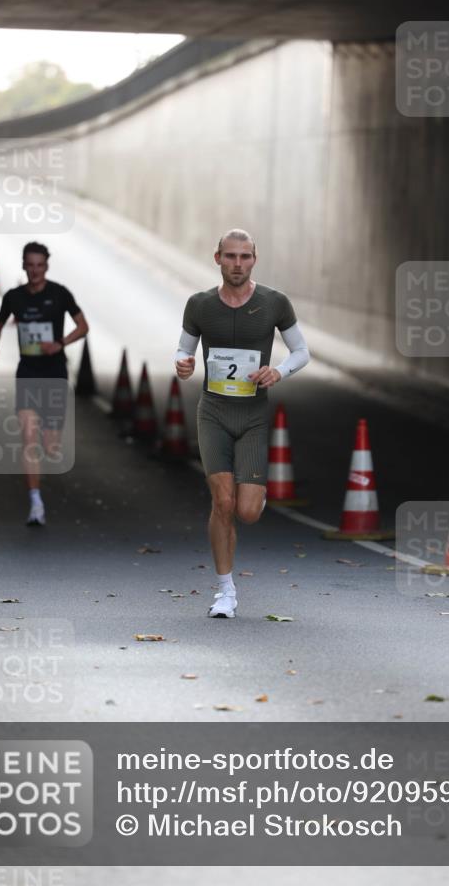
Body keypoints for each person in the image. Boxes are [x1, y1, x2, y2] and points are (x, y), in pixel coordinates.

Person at [175, 229, 309, 618]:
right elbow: (184, 349)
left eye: (245, 257)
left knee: (247, 511)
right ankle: (225, 592)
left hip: (252, 415)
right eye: (230, 256)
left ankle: (256, 495)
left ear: (254, 259)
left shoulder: (274, 303)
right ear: (217, 258)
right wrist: (183, 364)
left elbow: (301, 351)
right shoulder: (199, 305)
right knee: (223, 502)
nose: (237, 264)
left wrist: (279, 371)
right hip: (213, 412)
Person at [0, 242, 89, 524]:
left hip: (55, 372)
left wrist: (60, 343)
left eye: (39, 265)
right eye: (29, 265)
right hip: (28, 372)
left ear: (46, 266)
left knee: (50, 446)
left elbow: (83, 326)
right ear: (23, 265)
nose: (34, 271)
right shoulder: (14, 297)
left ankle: (49, 438)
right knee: (29, 440)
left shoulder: (59, 294)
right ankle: (36, 503)